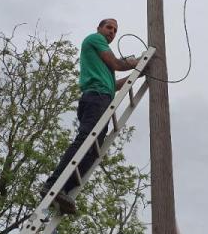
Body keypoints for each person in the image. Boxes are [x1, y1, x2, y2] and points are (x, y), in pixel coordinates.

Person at [41, 18, 140, 214]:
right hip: (95, 97)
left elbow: (114, 85)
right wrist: (136, 62)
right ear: (99, 28)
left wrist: (138, 73)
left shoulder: (104, 66)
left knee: (93, 151)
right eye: (109, 27)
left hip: (102, 97)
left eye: (115, 30)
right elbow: (117, 63)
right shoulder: (95, 39)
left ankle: (63, 190)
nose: (112, 32)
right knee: (85, 140)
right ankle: (53, 185)